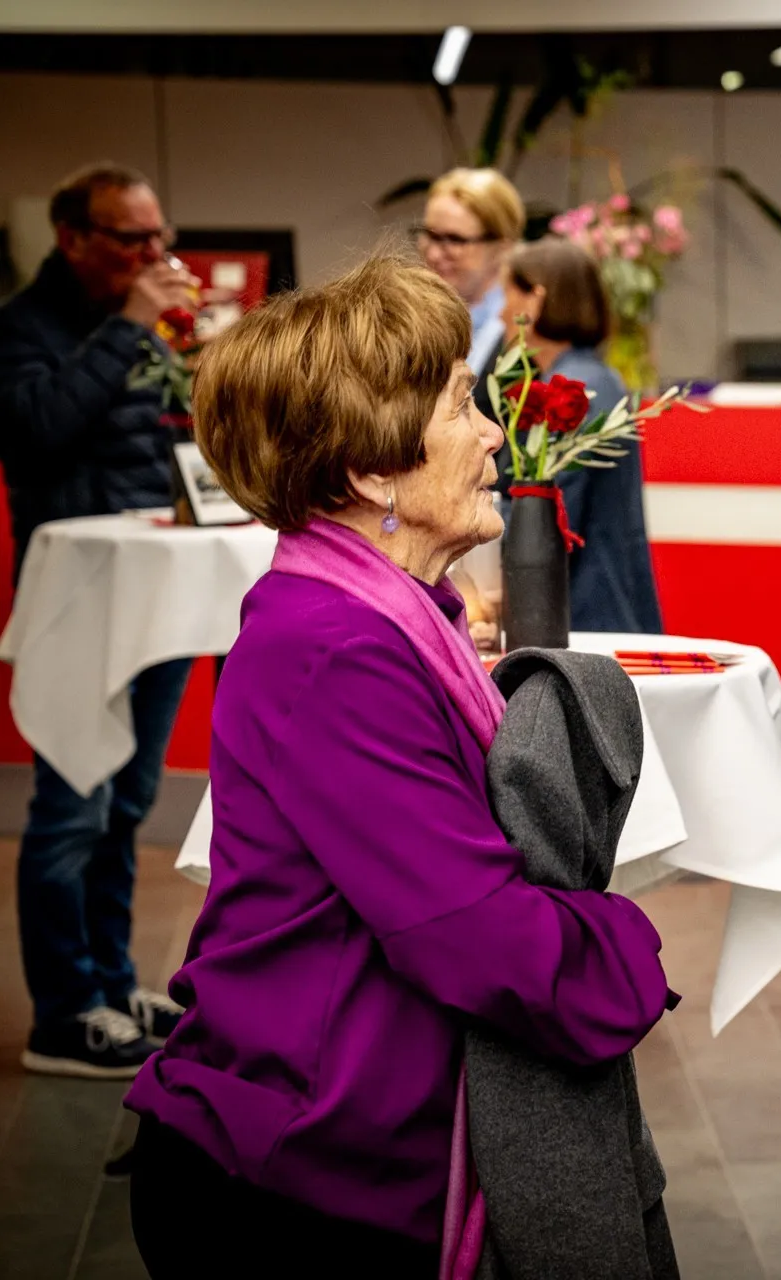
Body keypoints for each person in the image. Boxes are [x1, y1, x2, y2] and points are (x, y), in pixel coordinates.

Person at [122, 256, 672, 1275]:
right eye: (464, 403)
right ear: (373, 470)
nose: (494, 434)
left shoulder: (391, 614)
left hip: (341, 1143)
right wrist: (629, 943)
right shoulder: (336, 645)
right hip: (293, 1175)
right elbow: (478, 938)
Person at [0, 163, 201, 1077]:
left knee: (126, 801)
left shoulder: (146, 330)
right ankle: (61, 1008)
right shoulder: (22, 330)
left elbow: (177, 443)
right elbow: (40, 427)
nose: (152, 255)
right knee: (71, 804)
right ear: (72, 237)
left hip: (152, 588)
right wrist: (129, 329)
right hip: (81, 599)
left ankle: (114, 983)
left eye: (158, 237)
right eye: (131, 239)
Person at [500, 238, 664, 634]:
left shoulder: (573, 390)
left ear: (534, 300)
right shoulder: (596, 378)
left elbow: (545, 515)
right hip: (604, 602)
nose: (502, 313)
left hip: (586, 613)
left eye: (507, 294)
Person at [419, 167, 524, 376]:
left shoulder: (521, 331)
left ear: (502, 248)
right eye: (429, 235)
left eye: (454, 239)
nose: (433, 254)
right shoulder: (415, 319)